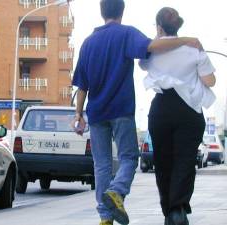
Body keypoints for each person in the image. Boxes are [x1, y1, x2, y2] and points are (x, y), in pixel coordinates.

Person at [71, 1, 203, 225]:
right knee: (129, 158)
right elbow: (155, 46)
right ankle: (117, 192)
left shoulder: (88, 43)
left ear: (102, 12)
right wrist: (188, 40)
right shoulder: (126, 34)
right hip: (121, 110)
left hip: (95, 113)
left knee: (101, 165)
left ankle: (106, 218)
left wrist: (78, 115)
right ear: (122, 11)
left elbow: (81, 85)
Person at [139, 7, 216, 225]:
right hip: (189, 111)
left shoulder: (152, 51)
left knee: (162, 161)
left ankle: (169, 211)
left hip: (161, 108)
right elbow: (210, 81)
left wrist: (159, 34)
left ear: (159, 26)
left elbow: (142, 63)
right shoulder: (194, 49)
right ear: (179, 25)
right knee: (185, 160)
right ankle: (178, 208)